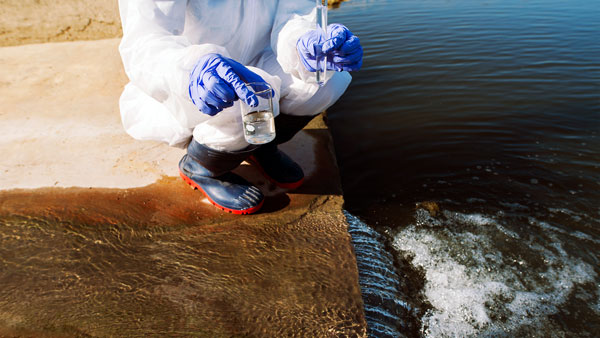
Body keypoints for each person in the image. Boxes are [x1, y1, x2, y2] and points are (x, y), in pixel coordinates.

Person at [118, 0, 363, 214]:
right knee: (243, 96)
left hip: (259, 59)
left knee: (326, 79)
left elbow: (295, 13)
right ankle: (202, 167)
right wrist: (191, 70)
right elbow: (145, 41)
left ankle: (259, 146)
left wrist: (306, 43)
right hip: (195, 75)